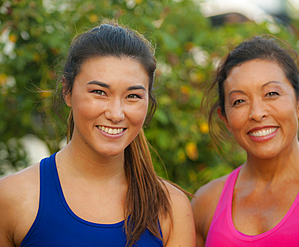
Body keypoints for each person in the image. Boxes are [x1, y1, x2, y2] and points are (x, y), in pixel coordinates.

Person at [0, 22, 195, 247]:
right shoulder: (13, 198)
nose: (116, 113)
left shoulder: (171, 207)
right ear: (67, 91)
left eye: (133, 96)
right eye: (99, 92)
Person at [191, 36, 299, 247]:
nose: (257, 113)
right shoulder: (205, 203)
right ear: (226, 119)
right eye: (239, 101)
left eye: (271, 93)